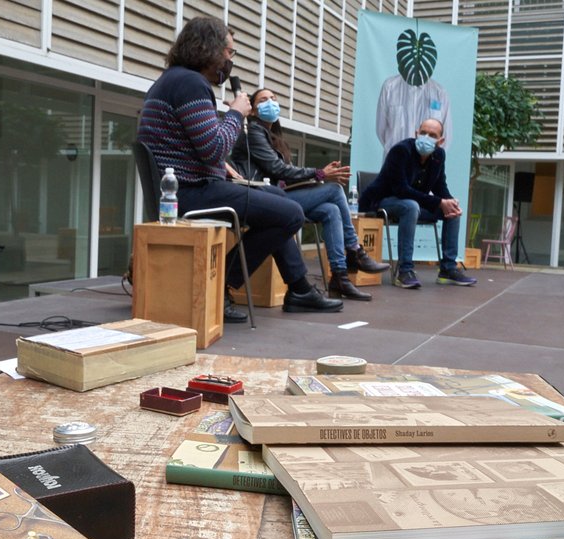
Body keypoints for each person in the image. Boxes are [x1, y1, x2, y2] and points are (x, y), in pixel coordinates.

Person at [137, 17, 342, 320]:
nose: (230, 61)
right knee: (291, 214)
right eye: (230, 53)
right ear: (209, 49)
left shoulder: (173, 80)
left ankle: (299, 288)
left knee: (277, 200)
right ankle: (220, 287)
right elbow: (214, 149)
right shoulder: (191, 83)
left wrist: (224, 166)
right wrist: (235, 113)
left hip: (187, 188)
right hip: (190, 193)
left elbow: (198, 147)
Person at [231, 87, 389, 301]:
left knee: (331, 210)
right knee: (333, 189)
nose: (270, 102)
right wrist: (320, 173)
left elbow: (285, 174)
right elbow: (277, 169)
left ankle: (340, 277)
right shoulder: (254, 132)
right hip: (262, 197)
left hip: (278, 195)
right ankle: (354, 250)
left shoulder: (274, 136)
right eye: (263, 100)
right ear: (253, 110)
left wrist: (316, 176)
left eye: (273, 98)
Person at [359, 118, 476, 289]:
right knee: (411, 206)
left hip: (410, 204)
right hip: (382, 202)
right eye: (423, 133)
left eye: (432, 135)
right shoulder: (401, 151)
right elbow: (401, 190)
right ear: (416, 133)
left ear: (440, 141)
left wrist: (449, 202)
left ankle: (448, 270)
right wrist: (438, 202)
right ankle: (405, 271)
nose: (426, 137)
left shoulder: (438, 156)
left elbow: (439, 186)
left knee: (452, 212)